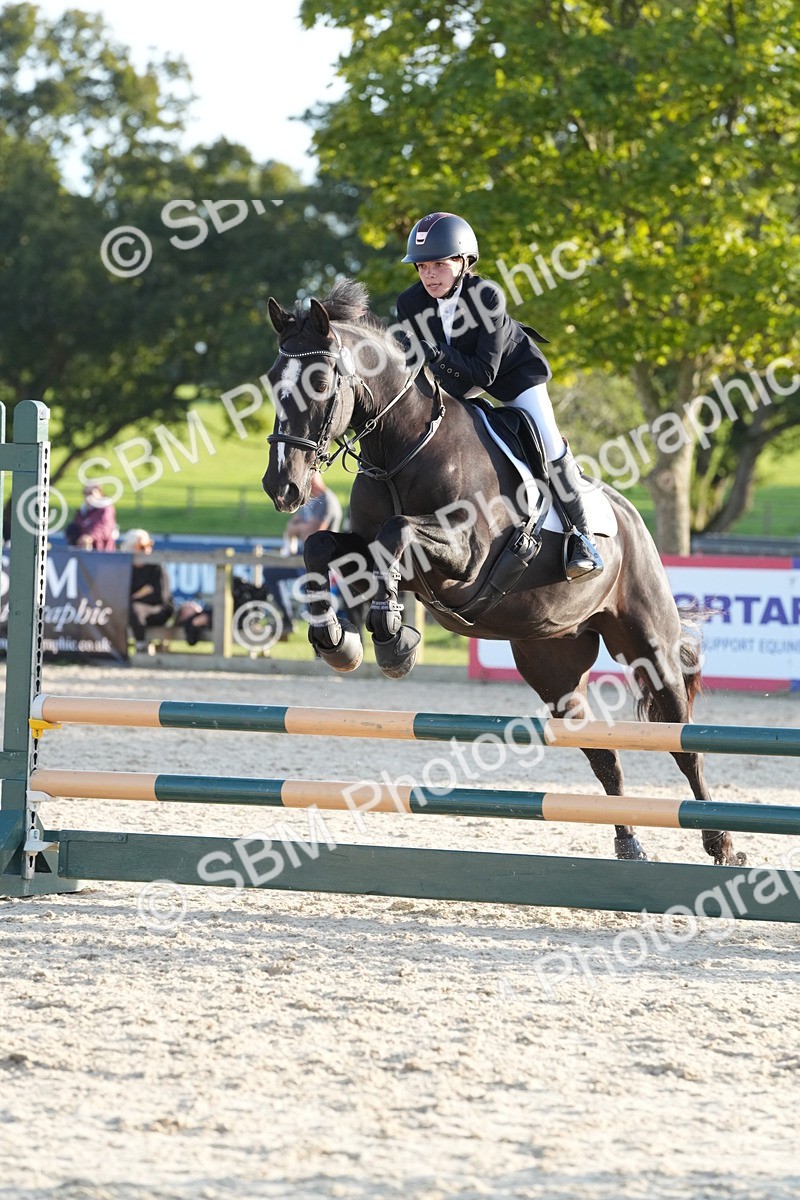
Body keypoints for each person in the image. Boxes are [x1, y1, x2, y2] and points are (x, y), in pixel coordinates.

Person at [396, 211, 602, 581]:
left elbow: (484, 373)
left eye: (439, 265)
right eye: (422, 266)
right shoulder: (410, 302)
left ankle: (582, 538)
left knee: (549, 445)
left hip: (512, 377)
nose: (429, 275)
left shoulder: (486, 296)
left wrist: (435, 353)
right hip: (454, 382)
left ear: (463, 262)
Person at [119, 529, 175, 647]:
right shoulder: (125, 567)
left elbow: (159, 596)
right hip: (133, 612)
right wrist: (141, 594)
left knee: (134, 608)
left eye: (149, 545)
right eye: (141, 547)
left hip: (159, 610)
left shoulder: (156, 566)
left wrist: (135, 597)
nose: (147, 550)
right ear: (130, 548)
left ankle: (141, 645)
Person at [281, 470, 343, 556]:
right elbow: (290, 526)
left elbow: (313, 534)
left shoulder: (327, 500)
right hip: (308, 553)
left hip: (325, 556)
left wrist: (298, 528)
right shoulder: (308, 500)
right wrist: (303, 527)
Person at [65, 484, 117, 551]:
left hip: (102, 552)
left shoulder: (105, 509)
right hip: (82, 551)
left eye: (91, 493)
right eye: (85, 493)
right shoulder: (82, 511)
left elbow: (104, 527)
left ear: (100, 493)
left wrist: (90, 537)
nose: (88, 497)